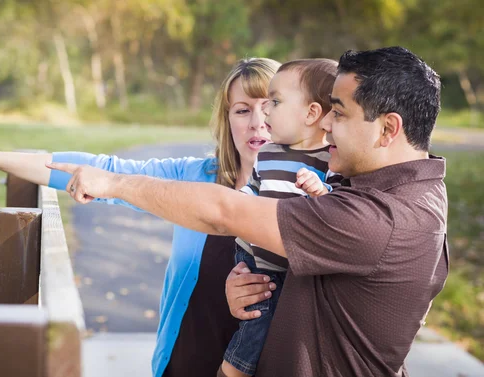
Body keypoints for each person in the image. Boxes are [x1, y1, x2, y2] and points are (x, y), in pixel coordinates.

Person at [46, 46, 448, 377]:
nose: (325, 122)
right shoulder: (398, 186)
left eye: (339, 113)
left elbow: (224, 211)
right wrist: (247, 284)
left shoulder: (380, 218)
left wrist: (114, 184)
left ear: (388, 129)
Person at [0, 57, 281, 377]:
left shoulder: (310, 192)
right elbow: (102, 169)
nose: (257, 123)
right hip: (185, 362)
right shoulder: (196, 176)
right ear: (226, 119)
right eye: (242, 110)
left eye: (270, 107)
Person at [222, 58, 338, 377]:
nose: (264, 115)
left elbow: (338, 205)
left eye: (273, 102)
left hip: (295, 265)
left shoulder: (332, 159)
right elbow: (253, 189)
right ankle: (234, 368)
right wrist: (236, 205)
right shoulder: (270, 154)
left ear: (312, 113)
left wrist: (321, 189)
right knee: (256, 323)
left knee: (278, 327)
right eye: (243, 109)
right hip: (256, 257)